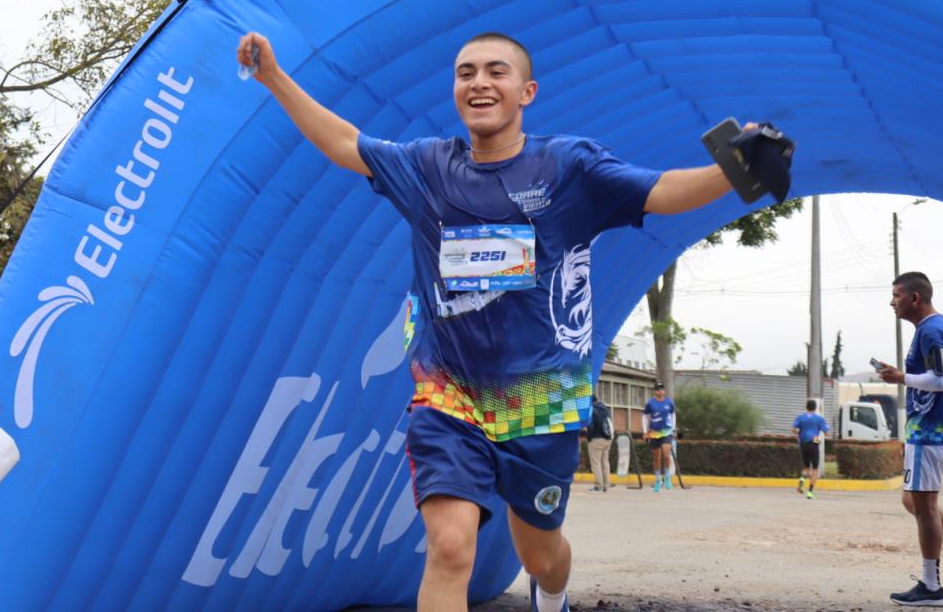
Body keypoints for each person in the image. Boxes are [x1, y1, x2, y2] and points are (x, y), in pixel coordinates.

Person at [236, 31, 740, 612]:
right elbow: (347, 143)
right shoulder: (426, 166)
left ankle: (552, 596)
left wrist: (729, 173)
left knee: (540, 554)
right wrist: (274, 76)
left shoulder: (568, 165)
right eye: (465, 72)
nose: (479, 83)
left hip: (540, 400)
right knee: (450, 548)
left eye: (496, 72)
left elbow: (660, 189)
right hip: (449, 394)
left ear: (526, 91)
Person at [877, 271, 943, 607]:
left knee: (923, 508)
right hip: (932, 429)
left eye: (896, 295)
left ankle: (931, 587)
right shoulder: (940, 328)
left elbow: (939, 381)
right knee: (913, 501)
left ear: (914, 298)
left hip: (930, 432)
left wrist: (900, 377)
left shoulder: (933, 331)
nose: (891, 302)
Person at [790, 399, 829, 499]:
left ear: (806, 407)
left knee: (806, 467)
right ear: (815, 408)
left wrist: (800, 434)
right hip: (814, 443)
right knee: (815, 469)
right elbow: (826, 433)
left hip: (803, 443)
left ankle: (802, 479)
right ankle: (810, 492)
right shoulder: (819, 419)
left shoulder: (800, 417)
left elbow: (793, 430)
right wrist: (818, 439)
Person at [642, 382, 677, 492]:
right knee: (657, 458)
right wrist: (645, 431)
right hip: (654, 433)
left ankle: (667, 476)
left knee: (666, 455)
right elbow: (645, 417)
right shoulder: (650, 403)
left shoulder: (669, 402)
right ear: (655, 391)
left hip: (667, 432)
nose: (660, 391)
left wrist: (673, 428)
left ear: (664, 391)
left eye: (661, 389)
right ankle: (658, 479)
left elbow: (673, 415)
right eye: (657, 389)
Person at [584, 394, 613, 492]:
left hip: (596, 439)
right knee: (605, 462)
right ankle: (606, 485)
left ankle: (599, 486)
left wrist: (589, 438)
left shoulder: (592, 410)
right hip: (607, 438)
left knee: (596, 463)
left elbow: (591, 426)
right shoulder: (604, 408)